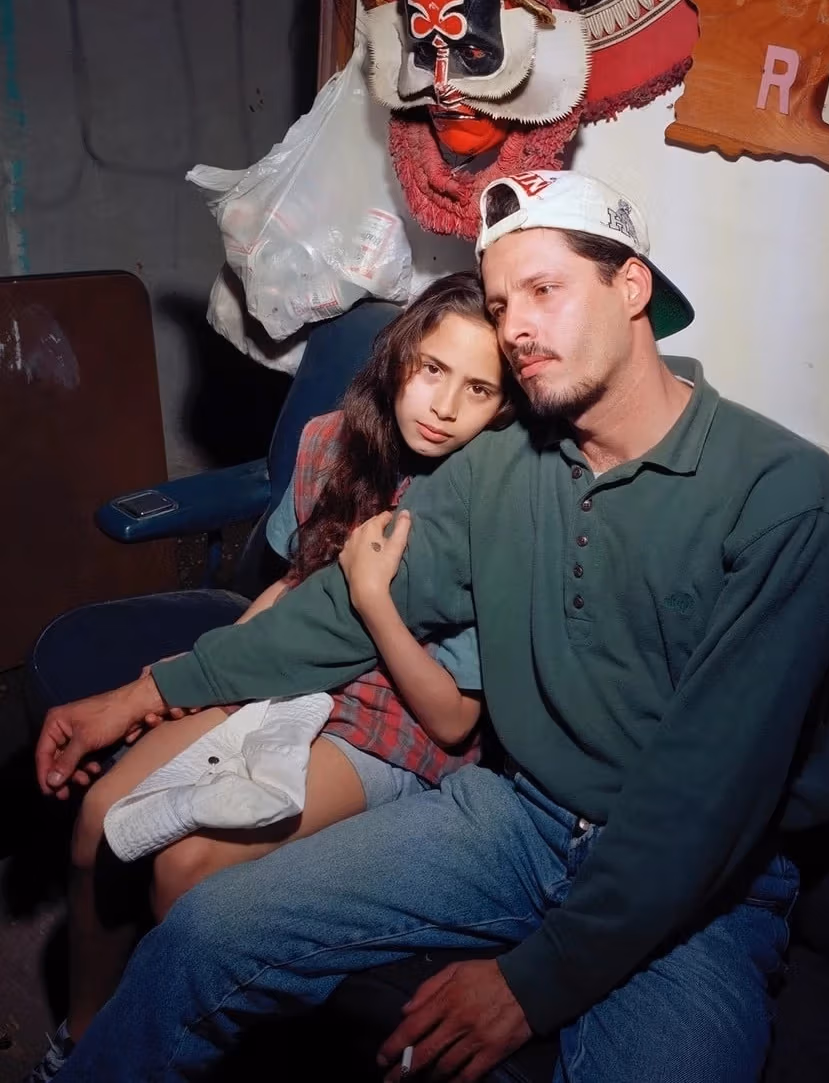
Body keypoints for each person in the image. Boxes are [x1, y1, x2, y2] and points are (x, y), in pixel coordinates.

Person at [39, 171, 829, 1083]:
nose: (518, 327)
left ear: (633, 287)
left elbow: (709, 799)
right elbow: (339, 611)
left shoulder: (781, 497)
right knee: (205, 929)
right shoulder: (502, 463)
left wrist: (531, 983)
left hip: (712, 883)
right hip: (522, 818)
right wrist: (147, 691)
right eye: (504, 302)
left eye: (545, 290)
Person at [26, 272, 514, 1082]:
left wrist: (371, 597)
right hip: (289, 673)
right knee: (102, 816)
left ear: (503, 408)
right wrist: (192, 681)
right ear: (399, 360)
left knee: (188, 871)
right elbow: (287, 592)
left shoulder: (481, 506)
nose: (444, 405)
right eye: (432, 369)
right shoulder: (330, 440)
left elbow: (455, 720)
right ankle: (84, 1048)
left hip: (390, 726)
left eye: (479, 389)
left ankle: (185, 1053)